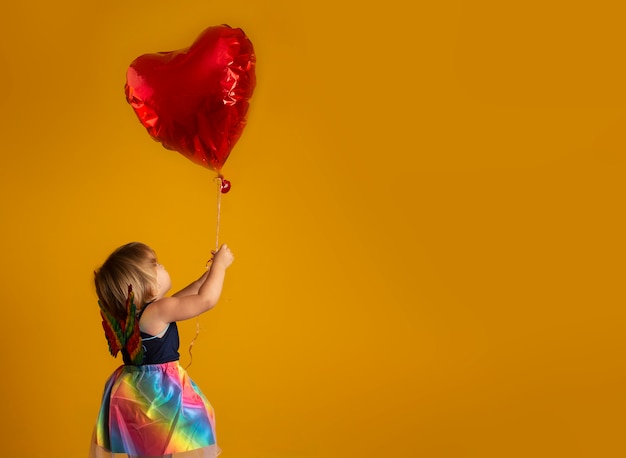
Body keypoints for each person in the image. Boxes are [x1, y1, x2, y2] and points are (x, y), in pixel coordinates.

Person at [90, 241, 234, 458]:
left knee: (150, 448)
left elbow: (190, 294)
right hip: (160, 393)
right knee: (189, 429)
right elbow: (205, 300)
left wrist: (209, 273)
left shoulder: (143, 314)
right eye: (156, 264)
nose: (163, 266)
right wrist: (221, 266)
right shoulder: (159, 310)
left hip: (136, 393)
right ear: (147, 284)